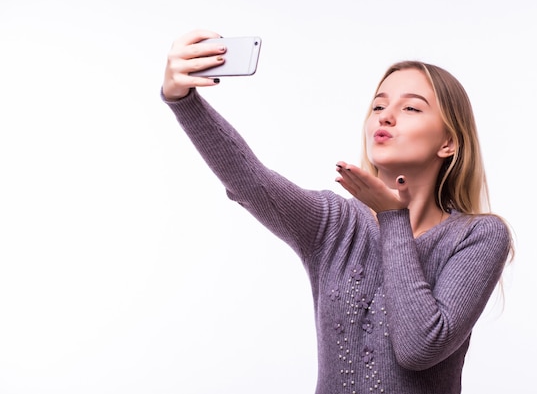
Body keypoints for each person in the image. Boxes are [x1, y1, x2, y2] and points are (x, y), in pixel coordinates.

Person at [161, 29, 513, 394]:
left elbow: (419, 347)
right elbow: (252, 182)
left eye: (410, 107)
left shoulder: (479, 236)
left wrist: (394, 219)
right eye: (378, 106)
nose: (385, 117)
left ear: (449, 142)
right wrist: (183, 100)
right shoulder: (335, 223)